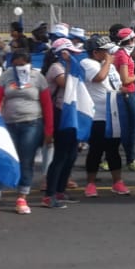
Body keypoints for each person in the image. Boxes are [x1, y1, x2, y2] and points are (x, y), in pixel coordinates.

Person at [0, 47, 54, 216]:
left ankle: (22, 197)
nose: (19, 67)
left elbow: (47, 105)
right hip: (9, 124)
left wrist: (49, 130)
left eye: (23, 64)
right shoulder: (7, 75)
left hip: (32, 123)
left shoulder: (38, 77)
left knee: (26, 161)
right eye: (16, 64)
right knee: (3, 159)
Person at [82, 35, 130, 197]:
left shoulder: (108, 66)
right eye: (105, 51)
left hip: (113, 112)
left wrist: (122, 91)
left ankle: (117, 182)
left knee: (113, 149)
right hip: (97, 114)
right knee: (96, 150)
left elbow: (115, 84)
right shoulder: (88, 63)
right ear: (96, 52)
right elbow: (98, 78)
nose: (109, 53)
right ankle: (90, 183)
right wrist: (108, 63)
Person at [41, 38, 82, 209]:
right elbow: (67, 83)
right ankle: (50, 194)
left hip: (68, 113)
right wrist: (70, 63)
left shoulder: (66, 66)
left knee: (71, 154)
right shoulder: (56, 68)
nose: (73, 55)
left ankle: (60, 190)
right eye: (70, 52)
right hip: (59, 114)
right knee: (61, 155)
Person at [110, 27, 135, 171]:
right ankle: (131, 159)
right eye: (134, 39)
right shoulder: (123, 56)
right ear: (129, 40)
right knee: (132, 127)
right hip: (127, 92)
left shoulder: (123, 53)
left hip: (130, 92)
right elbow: (125, 79)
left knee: (129, 127)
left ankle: (127, 157)